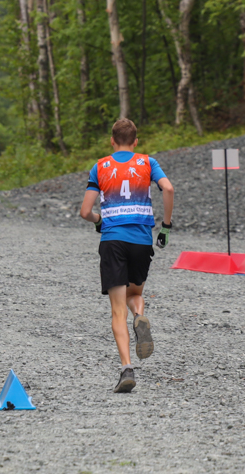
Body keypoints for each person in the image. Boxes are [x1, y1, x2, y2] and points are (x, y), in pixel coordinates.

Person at [79, 118, 174, 393]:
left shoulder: (100, 166)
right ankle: (139, 316)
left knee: (116, 310)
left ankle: (126, 369)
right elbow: (168, 188)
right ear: (135, 141)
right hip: (141, 241)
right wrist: (166, 226)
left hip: (113, 241)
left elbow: (85, 211)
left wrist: (99, 220)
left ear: (111, 141)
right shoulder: (147, 163)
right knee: (135, 294)